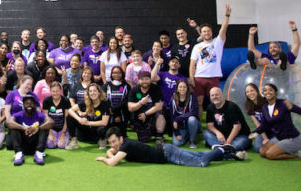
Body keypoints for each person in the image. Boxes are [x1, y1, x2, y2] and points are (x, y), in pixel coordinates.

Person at [95, 127, 246, 167]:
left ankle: (222, 149)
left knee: (200, 162)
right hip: (167, 151)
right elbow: (117, 158)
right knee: (198, 156)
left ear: (121, 138)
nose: (114, 145)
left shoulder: (126, 145)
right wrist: (111, 152)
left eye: (115, 141)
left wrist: (104, 157)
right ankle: (231, 155)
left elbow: (114, 162)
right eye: (111, 143)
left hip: (168, 154)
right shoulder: (123, 146)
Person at [190, 5, 232, 118]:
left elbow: (223, 29)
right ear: (201, 34)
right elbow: (192, 64)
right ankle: (198, 124)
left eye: (208, 31)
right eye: (204, 31)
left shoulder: (218, 42)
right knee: (199, 102)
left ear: (211, 32)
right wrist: (191, 78)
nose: (206, 33)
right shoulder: (197, 47)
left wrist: (227, 16)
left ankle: (218, 122)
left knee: (216, 102)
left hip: (214, 77)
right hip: (199, 78)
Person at [252, 83, 301, 159]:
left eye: (270, 90)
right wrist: (255, 133)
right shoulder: (264, 107)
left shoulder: (283, 103)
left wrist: (292, 107)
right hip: (279, 138)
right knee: (262, 152)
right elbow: (264, 125)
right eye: (265, 90)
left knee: (270, 154)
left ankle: (297, 154)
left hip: (292, 138)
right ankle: (287, 150)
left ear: (276, 92)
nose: (267, 92)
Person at [6, 94, 53, 166]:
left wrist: (37, 128)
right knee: (14, 127)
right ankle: (18, 154)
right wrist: (23, 127)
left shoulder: (40, 115)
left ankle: (39, 153)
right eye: (27, 103)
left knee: (44, 127)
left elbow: (51, 122)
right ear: (23, 105)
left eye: (31, 103)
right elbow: (8, 122)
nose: (29, 105)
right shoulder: (18, 115)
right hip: (23, 146)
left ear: (34, 105)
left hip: (35, 145)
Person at [203, 86, 251, 151]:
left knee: (242, 142)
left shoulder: (231, 107)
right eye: (212, 95)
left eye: (217, 94)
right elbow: (210, 125)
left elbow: (237, 127)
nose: (215, 97)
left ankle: (219, 147)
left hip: (238, 136)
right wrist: (218, 133)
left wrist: (227, 142)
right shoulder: (210, 108)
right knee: (206, 133)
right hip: (222, 137)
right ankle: (226, 149)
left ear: (222, 95)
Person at [128, 71, 165, 146]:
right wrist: (141, 103)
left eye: (147, 79)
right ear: (138, 80)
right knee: (144, 140)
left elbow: (159, 106)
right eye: (142, 79)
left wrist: (145, 114)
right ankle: (149, 134)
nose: (144, 81)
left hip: (152, 116)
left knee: (160, 115)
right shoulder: (134, 90)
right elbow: (130, 108)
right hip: (140, 118)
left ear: (150, 80)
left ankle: (159, 137)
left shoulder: (155, 89)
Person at [70, 82, 110, 149]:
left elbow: (104, 122)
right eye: (90, 91)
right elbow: (70, 110)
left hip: (97, 129)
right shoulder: (86, 101)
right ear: (88, 93)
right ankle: (74, 141)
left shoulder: (105, 103)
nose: (92, 93)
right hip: (87, 128)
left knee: (103, 128)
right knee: (70, 117)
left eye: (95, 91)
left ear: (99, 92)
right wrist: (79, 119)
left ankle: (102, 140)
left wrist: (88, 123)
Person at [170, 80, 200, 148]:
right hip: (181, 127)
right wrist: (176, 133)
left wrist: (178, 119)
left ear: (187, 88)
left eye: (184, 87)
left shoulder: (192, 96)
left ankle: (192, 140)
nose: (182, 89)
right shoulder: (173, 99)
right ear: (177, 89)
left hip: (192, 123)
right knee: (177, 143)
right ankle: (187, 135)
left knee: (191, 119)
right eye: (180, 87)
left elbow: (194, 112)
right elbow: (172, 117)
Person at [43, 81, 71, 149]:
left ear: (60, 90)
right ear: (50, 91)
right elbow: (45, 118)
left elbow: (66, 118)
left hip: (62, 128)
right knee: (51, 145)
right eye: (53, 91)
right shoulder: (46, 101)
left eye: (57, 91)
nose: (55, 93)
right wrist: (50, 133)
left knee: (61, 145)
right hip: (51, 128)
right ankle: (52, 136)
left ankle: (66, 136)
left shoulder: (66, 100)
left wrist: (63, 134)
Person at [105, 66, 130, 134]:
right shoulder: (107, 86)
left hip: (122, 113)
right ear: (111, 74)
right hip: (110, 112)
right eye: (114, 73)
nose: (116, 74)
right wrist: (112, 111)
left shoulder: (125, 86)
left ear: (122, 74)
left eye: (119, 73)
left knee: (121, 134)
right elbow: (104, 99)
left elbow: (125, 100)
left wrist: (116, 113)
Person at [244, 83, 266, 152]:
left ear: (256, 90)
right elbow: (257, 124)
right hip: (262, 130)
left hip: (273, 129)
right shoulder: (248, 105)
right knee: (257, 148)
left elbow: (270, 122)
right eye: (247, 92)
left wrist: (265, 138)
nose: (250, 93)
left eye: (252, 90)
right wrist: (258, 134)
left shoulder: (265, 102)